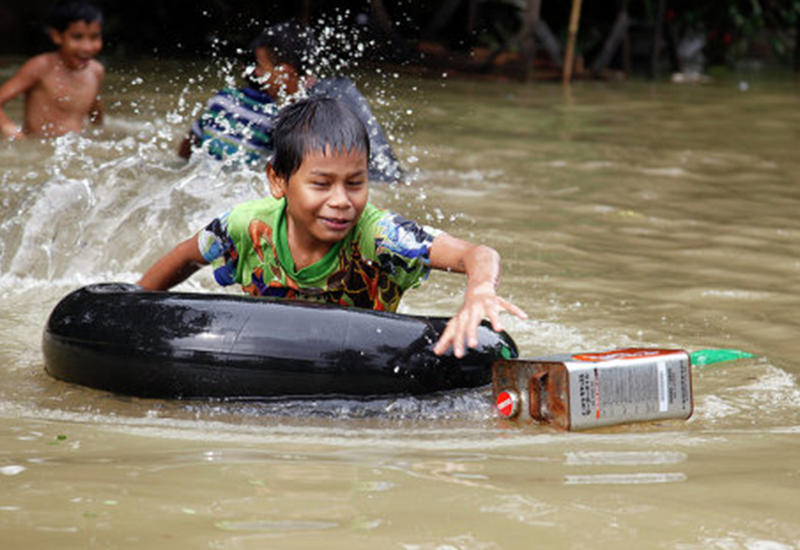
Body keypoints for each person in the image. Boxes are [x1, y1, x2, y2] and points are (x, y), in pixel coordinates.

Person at [140, 96, 526, 357]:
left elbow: (478, 254)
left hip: (360, 361)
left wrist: (479, 291)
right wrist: (132, 303)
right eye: (321, 184)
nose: (342, 201)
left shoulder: (381, 237)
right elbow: (186, 257)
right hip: (271, 355)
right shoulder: (246, 226)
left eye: (355, 183)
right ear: (278, 180)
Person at [180, 21, 405, 182]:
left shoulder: (307, 110)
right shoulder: (340, 91)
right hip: (377, 179)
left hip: (371, 181)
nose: (255, 73)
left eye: (260, 65)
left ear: (285, 71)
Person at [0, 0, 104, 139]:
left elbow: (95, 113)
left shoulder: (96, 70)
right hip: (38, 148)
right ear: (57, 36)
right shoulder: (41, 67)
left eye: (94, 37)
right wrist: (9, 129)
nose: (87, 47)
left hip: (74, 149)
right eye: (77, 37)